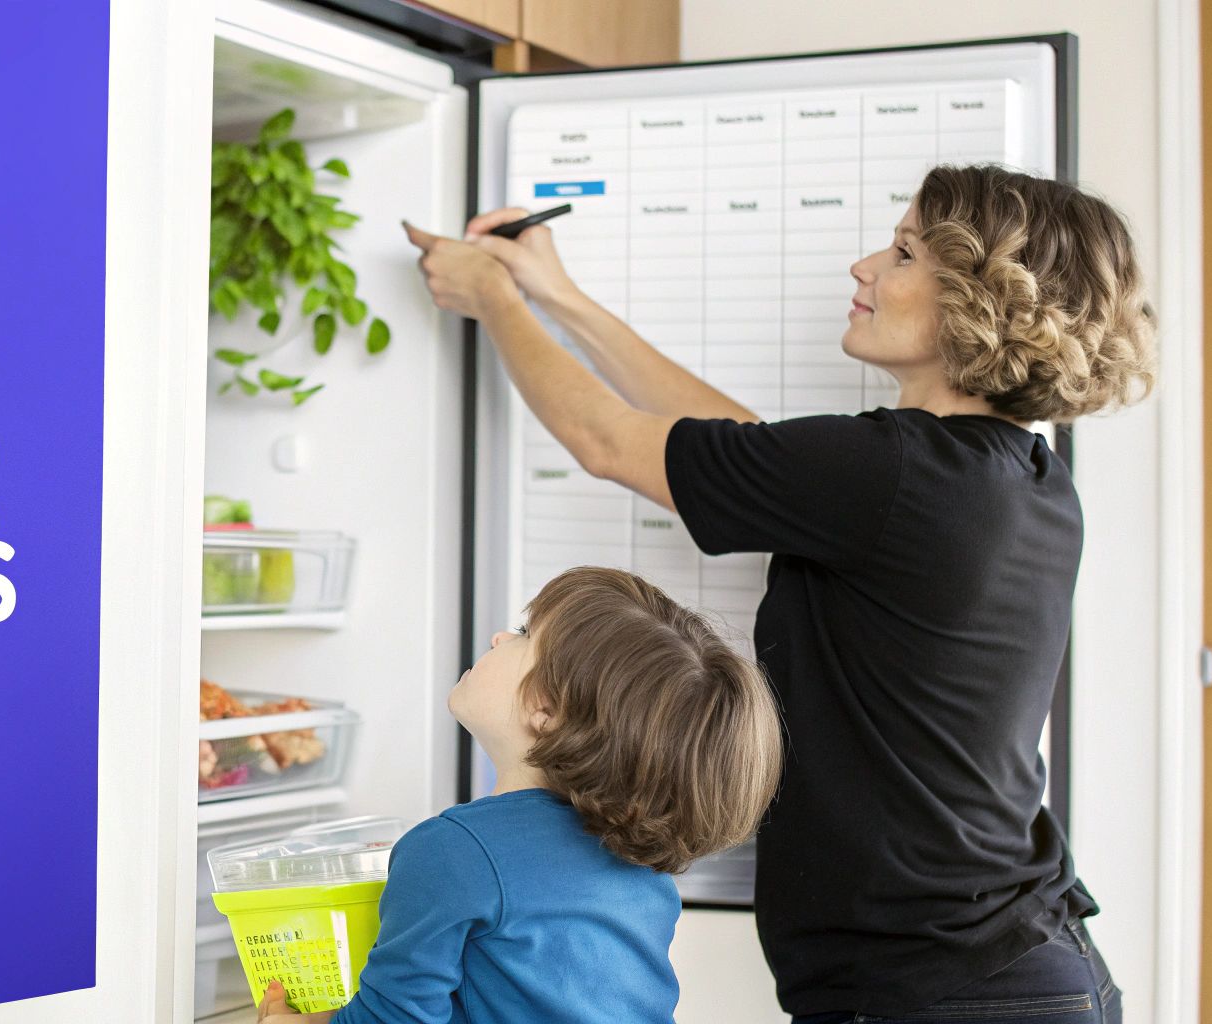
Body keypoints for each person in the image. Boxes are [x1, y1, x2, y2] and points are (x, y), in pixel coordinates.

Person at [400, 164, 1156, 1023]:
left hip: (941, 988)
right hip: (1030, 965)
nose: (865, 267)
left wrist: (494, 296)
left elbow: (608, 441)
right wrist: (559, 297)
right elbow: (741, 451)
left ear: (978, 303)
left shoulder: (890, 475)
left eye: (904, 252)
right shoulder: (1021, 477)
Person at [255, 566, 782, 1023]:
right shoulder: (643, 871)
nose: (498, 638)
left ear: (547, 711)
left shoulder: (453, 851)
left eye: (526, 634)